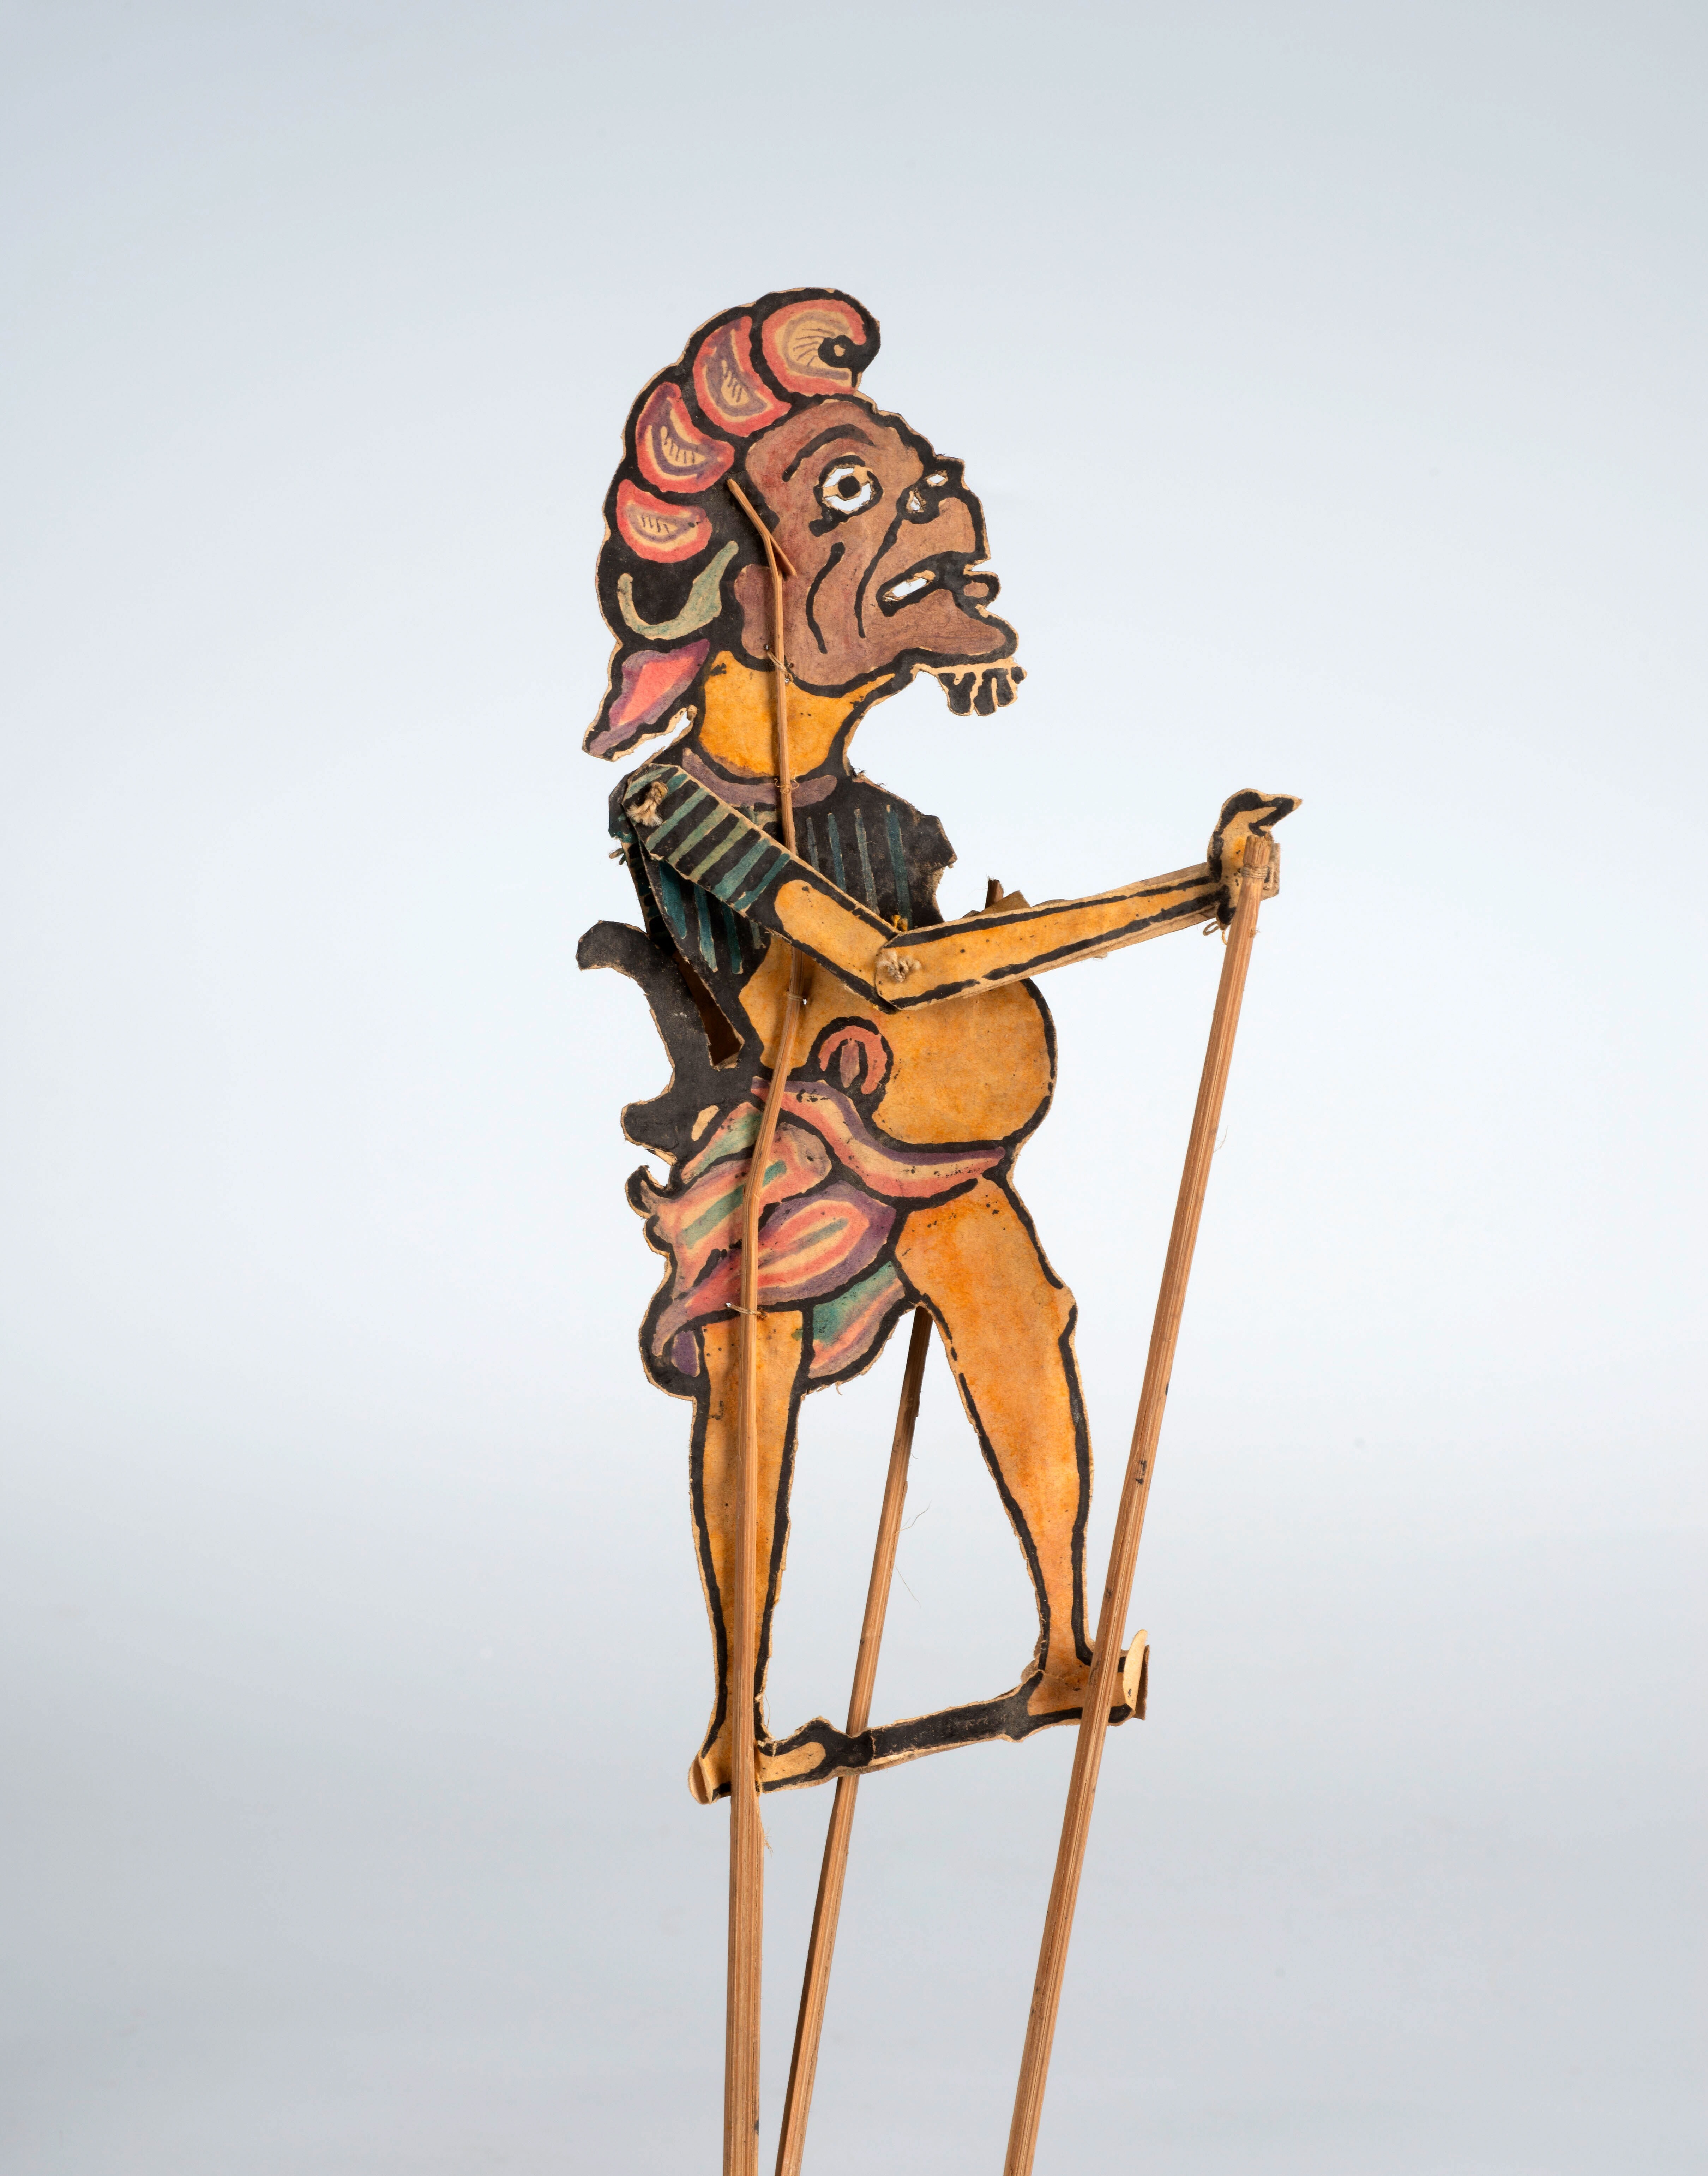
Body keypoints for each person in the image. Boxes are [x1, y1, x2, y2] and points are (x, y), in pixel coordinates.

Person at [578, 289, 1293, 1801]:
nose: (936, 508)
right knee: (753, 1381)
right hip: (777, 1151)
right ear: (741, 594)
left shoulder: (889, 819)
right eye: (848, 496)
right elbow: (893, 967)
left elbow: (932, 989)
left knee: (1020, 1310)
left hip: (920, 1141)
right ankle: (737, 1718)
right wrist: (1180, 898)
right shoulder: (673, 805)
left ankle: (1066, 1647)